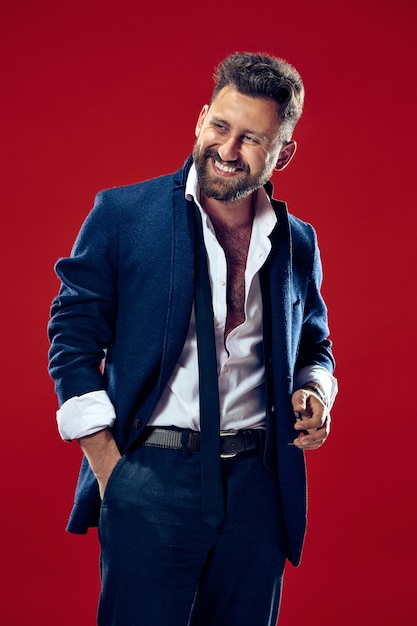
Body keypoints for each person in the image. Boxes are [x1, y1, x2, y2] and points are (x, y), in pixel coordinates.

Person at [48, 51, 337, 626]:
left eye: (252, 138)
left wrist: (316, 392)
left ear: (284, 152)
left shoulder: (297, 242)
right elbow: (72, 337)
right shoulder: (123, 214)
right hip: (152, 475)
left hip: (259, 486)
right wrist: (113, 472)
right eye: (220, 126)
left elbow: (314, 345)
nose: (227, 151)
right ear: (201, 117)